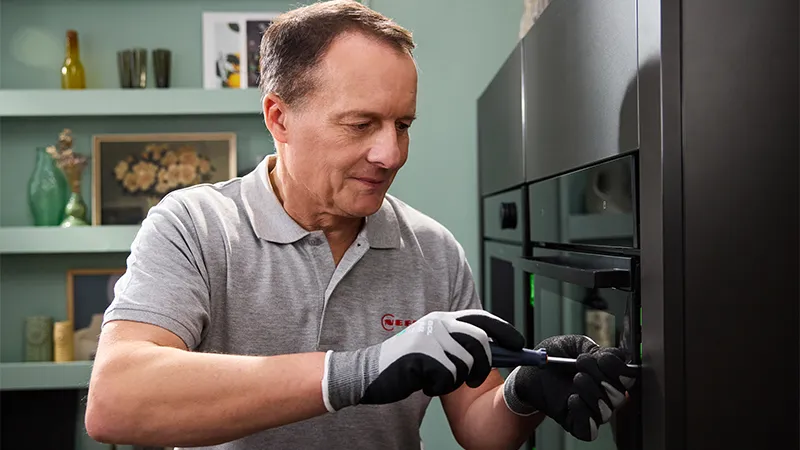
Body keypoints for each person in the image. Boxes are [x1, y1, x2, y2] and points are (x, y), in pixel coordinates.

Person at [84, 1, 637, 449]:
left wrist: (524, 392)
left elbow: (478, 425)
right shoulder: (194, 225)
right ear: (279, 117)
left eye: (402, 124)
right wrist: (356, 372)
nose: (390, 153)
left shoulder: (433, 249)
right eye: (361, 124)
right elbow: (116, 402)